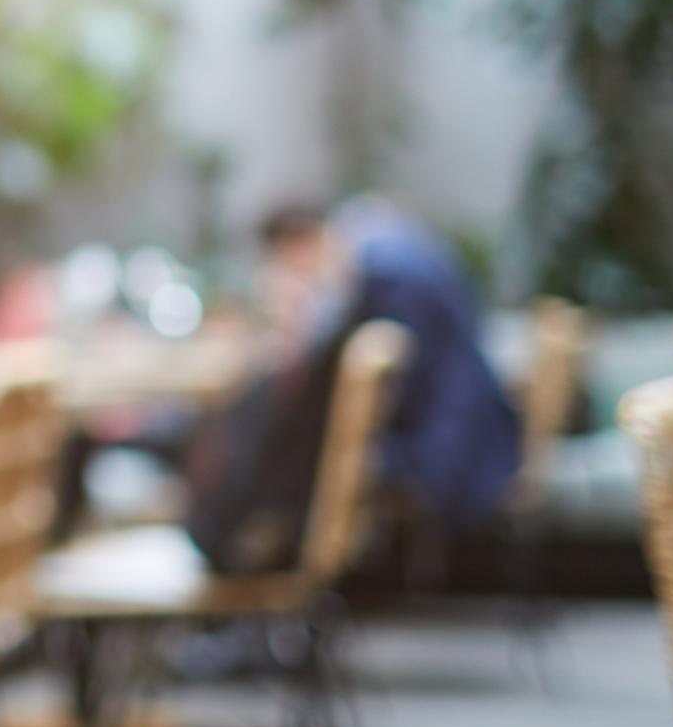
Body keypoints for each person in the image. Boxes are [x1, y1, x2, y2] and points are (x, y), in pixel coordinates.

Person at [194, 199, 517, 569]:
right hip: (451, 427)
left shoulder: (386, 276)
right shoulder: (380, 248)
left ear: (299, 243)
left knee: (292, 444)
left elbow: (391, 393)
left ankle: (248, 558)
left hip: (448, 447)